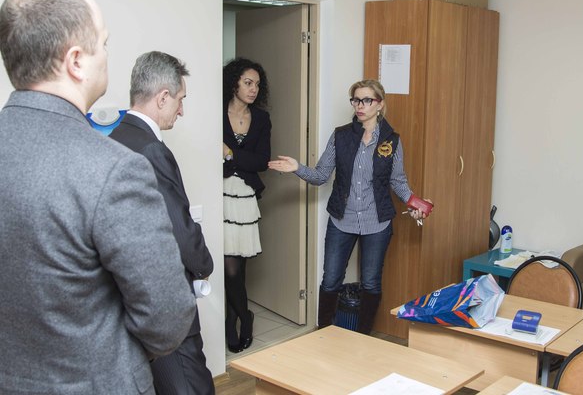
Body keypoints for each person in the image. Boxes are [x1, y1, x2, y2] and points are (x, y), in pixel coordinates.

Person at [0, 0, 196, 395]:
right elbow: (167, 317)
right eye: (103, 44)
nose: (107, 55)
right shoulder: (115, 169)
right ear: (76, 61)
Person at [268, 79, 433, 335]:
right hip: (341, 219)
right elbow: (321, 175)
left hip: (377, 222)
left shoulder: (392, 141)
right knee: (331, 280)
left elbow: (398, 182)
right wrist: (297, 167)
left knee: (371, 283)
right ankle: (324, 333)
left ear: (380, 104)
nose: (360, 105)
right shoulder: (341, 135)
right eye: (356, 100)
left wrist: (415, 203)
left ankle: (363, 336)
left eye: (367, 100)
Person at [110, 51, 214, 395]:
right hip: (163, 299)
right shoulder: (152, 150)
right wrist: (204, 266)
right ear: (163, 97)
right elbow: (179, 227)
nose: (181, 110)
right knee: (192, 387)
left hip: (129, 297)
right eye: (180, 100)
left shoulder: (114, 138)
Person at [222, 58, 271, 353]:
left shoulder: (261, 119)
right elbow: (211, 156)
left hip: (245, 197)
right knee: (228, 268)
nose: (253, 89)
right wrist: (239, 160)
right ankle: (240, 318)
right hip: (220, 194)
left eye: (257, 85)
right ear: (234, 83)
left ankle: (238, 318)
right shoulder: (216, 112)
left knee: (239, 267)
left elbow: (262, 161)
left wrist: (229, 154)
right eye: (247, 83)